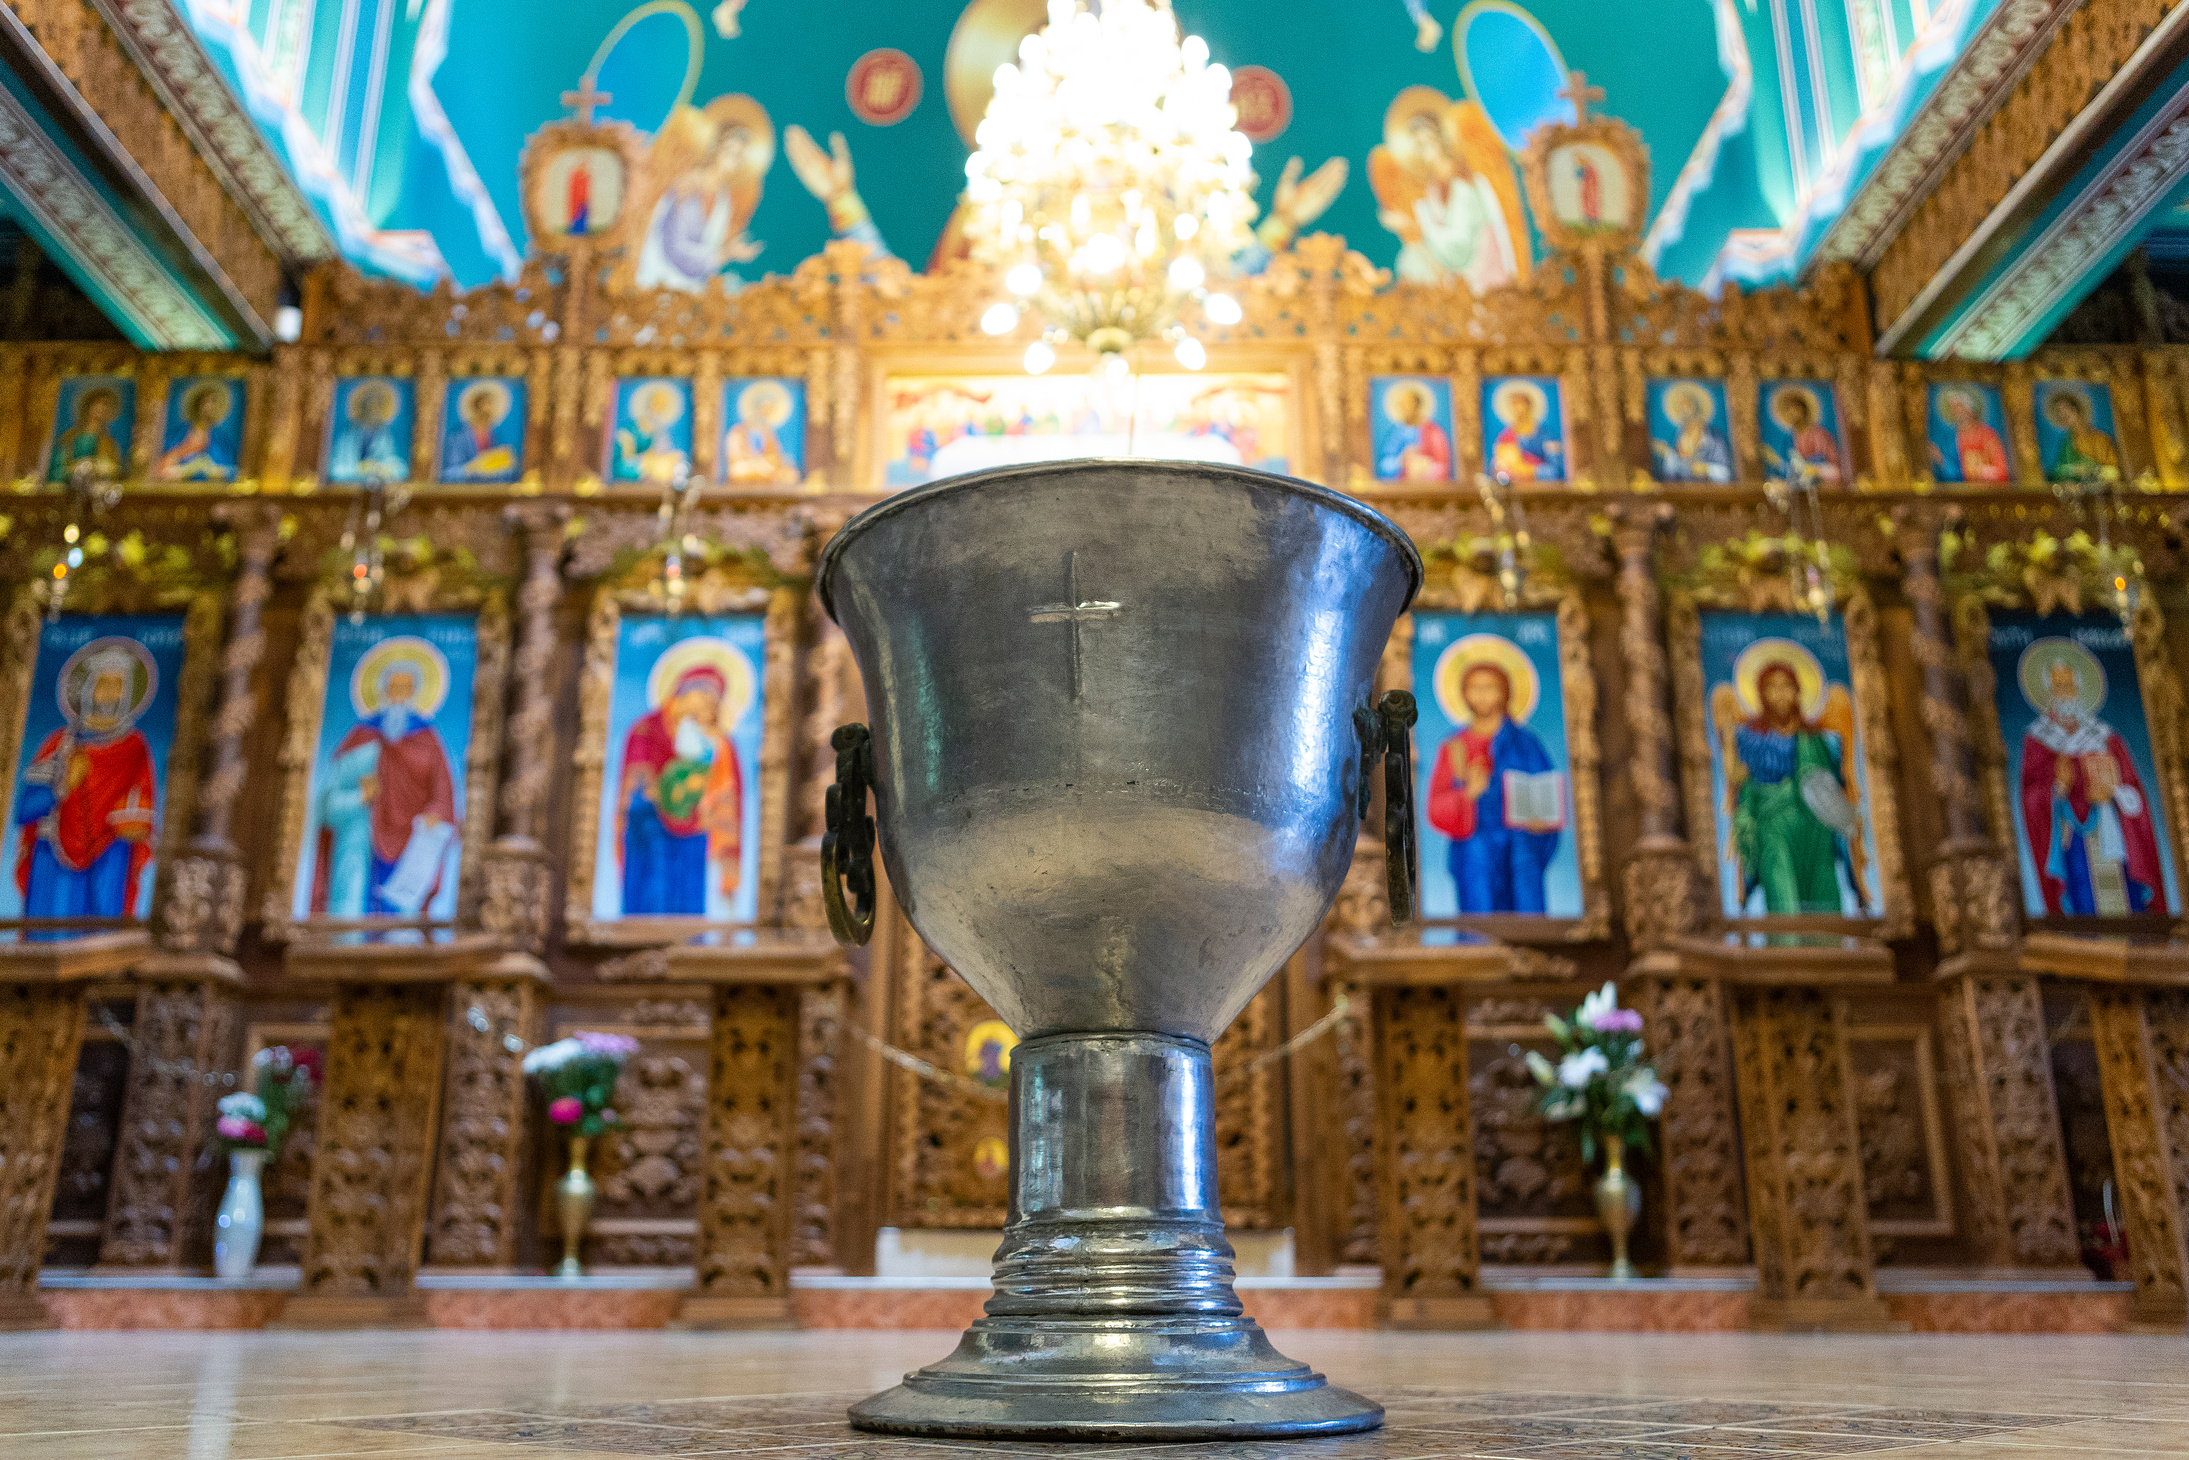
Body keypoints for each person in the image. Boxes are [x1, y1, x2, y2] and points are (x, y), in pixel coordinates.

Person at [13, 644, 157, 939]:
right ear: (88, 689)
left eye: (116, 686)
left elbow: (143, 811)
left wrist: (136, 824)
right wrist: (63, 785)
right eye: (102, 684)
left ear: (126, 694)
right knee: (46, 942)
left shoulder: (134, 749)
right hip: (54, 865)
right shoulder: (59, 744)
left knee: (98, 943)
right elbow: (26, 809)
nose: (108, 693)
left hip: (109, 863)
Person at [2018, 653, 2166, 916]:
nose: (2066, 693)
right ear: (2048, 691)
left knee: (2125, 901)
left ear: (2079, 688)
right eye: (2059, 686)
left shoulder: (2104, 736)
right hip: (2071, 839)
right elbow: (2031, 798)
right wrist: (2056, 790)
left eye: (2070, 686)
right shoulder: (2039, 739)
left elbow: (2134, 792)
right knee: (2083, 898)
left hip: (2112, 832)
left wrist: (2116, 791)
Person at [314, 659, 456, 920]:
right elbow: (326, 806)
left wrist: (436, 813)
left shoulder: (427, 739)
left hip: (412, 845)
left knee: (402, 923)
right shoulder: (361, 737)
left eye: (406, 689)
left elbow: (443, 793)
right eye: (394, 688)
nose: (399, 695)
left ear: (415, 694)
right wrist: (360, 797)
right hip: (361, 844)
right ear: (383, 691)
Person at [1719, 661, 1864, 915]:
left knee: (1825, 907)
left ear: (1798, 691)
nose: (1780, 695)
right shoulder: (1750, 738)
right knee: (1783, 903)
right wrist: (1730, 740)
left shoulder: (1819, 740)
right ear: (1761, 693)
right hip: (1773, 830)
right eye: (1772, 688)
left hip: (1816, 833)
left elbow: (1837, 785)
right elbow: (1738, 780)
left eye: (1786, 687)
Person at [1425, 661, 1561, 913]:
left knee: (1523, 870)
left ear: (1505, 692)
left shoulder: (1525, 744)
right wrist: (1467, 794)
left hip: (1521, 844)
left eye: (1491, 687)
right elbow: (1436, 807)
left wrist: (1541, 820)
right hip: (1476, 848)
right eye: (1475, 688)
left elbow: (1545, 792)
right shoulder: (1454, 748)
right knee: (1476, 860)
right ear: (1464, 693)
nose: (1483, 694)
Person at [616, 663, 743, 916]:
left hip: (694, 838)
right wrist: (663, 792)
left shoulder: (720, 744)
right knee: (651, 901)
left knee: (687, 910)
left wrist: (728, 875)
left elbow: (727, 803)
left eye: (712, 700)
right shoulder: (646, 730)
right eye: (700, 695)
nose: (705, 706)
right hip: (650, 832)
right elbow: (634, 792)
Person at [633, 98, 771, 293]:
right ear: (716, 147)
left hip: (693, 291)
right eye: (730, 151)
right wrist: (725, 253)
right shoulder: (688, 186)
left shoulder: (723, 201)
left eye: (739, 156)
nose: (733, 161)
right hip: (660, 286)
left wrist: (727, 250)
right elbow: (676, 249)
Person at [154, 382, 236, 482]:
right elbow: (158, 469)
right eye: (206, 402)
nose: (210, 407)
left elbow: (233, 471)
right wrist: (188, 469)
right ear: (196, 404)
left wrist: (211, 470)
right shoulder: (176, 434)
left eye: (214, 402)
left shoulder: (222, 439)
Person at [330, 381, 407, 484]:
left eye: (378, 407)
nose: (374, 411)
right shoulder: (349, 434)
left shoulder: (383, 435)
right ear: (362, 408)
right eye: (370, 407)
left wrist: (380, 468)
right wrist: (360, 468)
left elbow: (395, 464)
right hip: (349, 490)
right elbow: (337, 469)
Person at [1655, 383, 1732, 483]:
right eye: (1680, 405)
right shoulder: (1678, 436)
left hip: (1710, 492)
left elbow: (1725, 472)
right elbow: (1670, 472)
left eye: (1687, 403)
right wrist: (1669, 456)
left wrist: (1705, 469)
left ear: (1696, 405)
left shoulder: (1713, 436)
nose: (1684, 408)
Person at [1930, 387, 2009, 483]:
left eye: (1959, 406)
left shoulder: (1987, 435)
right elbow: (1946, 475)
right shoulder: (1948, 439)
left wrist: (1981, 471)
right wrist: (1940, 459)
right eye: (1952, 408)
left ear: (1970, 409)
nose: (1956, 412)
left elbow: (2001, 471)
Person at [723, 383, 797, 485]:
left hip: (765, 469)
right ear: (756, 408)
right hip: (745, 468)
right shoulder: (738, 431)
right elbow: (735, 459)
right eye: (764, 409)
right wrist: (756, 463)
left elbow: (774, 456)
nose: (766, 413)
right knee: (738, 471)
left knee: (790, 473)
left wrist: (775, 462)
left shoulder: (768, 433)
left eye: (769, 410)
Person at [1377, 382, 1451, 481]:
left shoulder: (1433, 432)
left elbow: (1443, 466)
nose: (1404, 409)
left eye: (1408, 404)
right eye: (1402, 405)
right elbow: (1384, 465)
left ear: (1417, 405)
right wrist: (1400, 461)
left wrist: (1425, 466)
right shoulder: (1397, 432)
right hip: (1399, 489)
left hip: (1429, 490)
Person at [1767, 389, 1842, 487]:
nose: (1791, 413)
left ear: (1804, 409)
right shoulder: (1788, 439)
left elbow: (1836, 470)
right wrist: (1777, 462)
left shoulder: (1820, 435)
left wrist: (1813, 469)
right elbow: (1787, 471)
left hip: (1823, 490)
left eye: (1795, 408)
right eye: (1788, 409)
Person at [443, 383, 517, 482]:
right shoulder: (458, 435)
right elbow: (448, 473)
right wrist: (471, 468)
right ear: (475, 406)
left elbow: (508, 472)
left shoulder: (496, 435)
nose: (488, 410)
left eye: (491, 404)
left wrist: (507, 464)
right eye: (485, 404)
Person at [48, 386, 124, 482]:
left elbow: (116, 475)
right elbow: (56, 472)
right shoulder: (70, 438)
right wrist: (76, 469)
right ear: (88, 406)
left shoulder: (109, 443)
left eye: (106, 404)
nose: (102, 408)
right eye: (98, 403)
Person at [1490, 383, 1561, 482]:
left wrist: (1528, 470)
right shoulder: (1505, 436)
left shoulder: (1547, 435)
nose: (1517, 409)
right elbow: (1498, 471)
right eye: (1513, 404)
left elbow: (1556, 471)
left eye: (1521, 403)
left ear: (1529, 406)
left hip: (1543, 491)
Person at [2045, 391, 2119, 482]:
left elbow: (2113, 471)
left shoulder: (2100, 439)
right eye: (2059, 412)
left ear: (2077, 409)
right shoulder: (2067, 443)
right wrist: (2072, 470)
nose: (2063, 414)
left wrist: (2089, 469)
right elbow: (2058, 470)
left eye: (2066, 408)